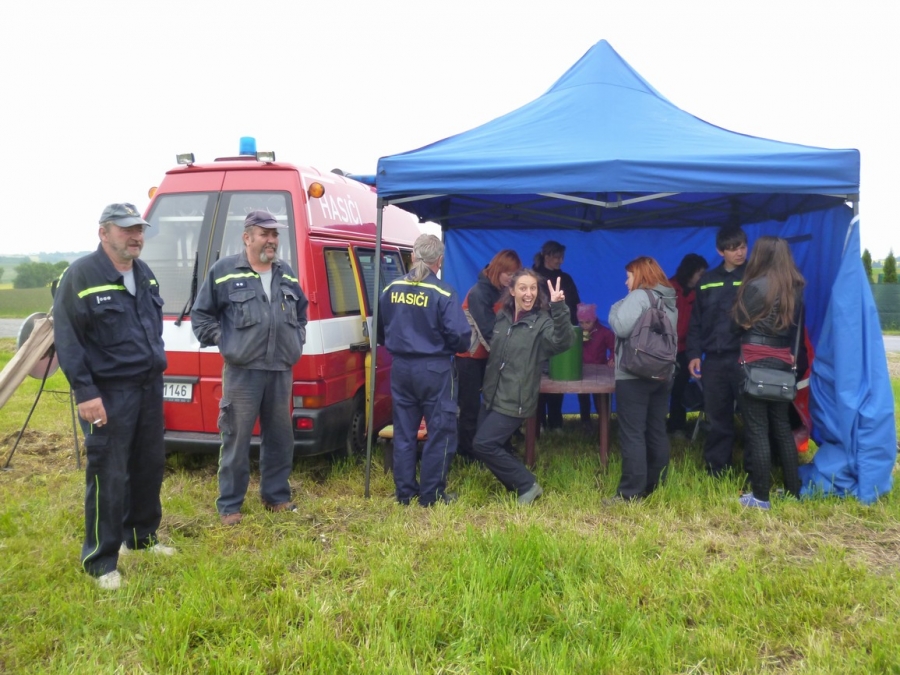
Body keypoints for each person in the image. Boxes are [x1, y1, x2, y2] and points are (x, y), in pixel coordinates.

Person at [53, 203, 173, 590]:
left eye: (139, 229)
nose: (136, 236)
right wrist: (85, 392)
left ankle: (140, 537)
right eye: (126, 229)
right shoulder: (81, 275)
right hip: (107, 393)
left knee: (148, 465)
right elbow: (68, 340)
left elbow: (152, 328)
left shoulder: (144, 273)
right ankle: (101, 560)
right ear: (104, 233)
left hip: (148, 388)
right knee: (108, 474)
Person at [191, 210, 309, 526]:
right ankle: (230, 505)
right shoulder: (224, 272)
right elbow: (201, 316)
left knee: (280, 438)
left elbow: (301, 313)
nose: (271, 240)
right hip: (242, 372)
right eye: (264, 234)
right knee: (236, 437)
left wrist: (297, 338)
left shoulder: (286, 273)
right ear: (247, 238)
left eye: (275, 235)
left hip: (280, 369)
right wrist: (225, 340)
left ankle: (276, 497)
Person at [377, 234, 471, 506]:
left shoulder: (390, 288)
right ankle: (431, 494)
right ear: (439, 260)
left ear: (412, 256)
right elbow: (460, 337)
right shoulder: (444, 292)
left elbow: (380, 330)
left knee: (404, 432)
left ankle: (405, 493)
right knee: (440, 431)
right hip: (435, 369)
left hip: (401, 368)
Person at [471, 269, 574, 504]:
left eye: (533, 288)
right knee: (485, 444)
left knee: (484, 444)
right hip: (493, 394)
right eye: (523, 288)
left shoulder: (541, 322)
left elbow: (564, 341)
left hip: (516, 397)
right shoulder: (503, 317)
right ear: (512, 291)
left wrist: (559, 307)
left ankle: (527, 485)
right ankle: (516, 485)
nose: (529, 293)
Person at [732, 236, 805, 509]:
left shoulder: (756, 286)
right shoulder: (795, 287)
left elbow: (737, 323)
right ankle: (793, 491)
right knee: (782, 428)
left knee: (758, 430)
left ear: (761, 255)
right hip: (783, 361)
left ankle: (761, 496)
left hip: (754, 360)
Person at [608, 257, 678, 501]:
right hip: (662, 373)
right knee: (656, 429)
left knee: (632, 433)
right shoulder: (669, 299)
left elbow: (621, 327)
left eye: (628, 276)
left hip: (633, 374)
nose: (625, 282)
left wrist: (616, 306)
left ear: (639, 276)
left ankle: (630, 493)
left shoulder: (638, 297)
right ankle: (655, 485)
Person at [686, 225, 748, 476]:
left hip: (746, 359)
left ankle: (755, 469)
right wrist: (693, 355)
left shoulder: (754, 277)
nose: (739, 253)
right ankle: (717, 469)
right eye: (733, 249)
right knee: (718, 417)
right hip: (714, 359)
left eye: (742, 247)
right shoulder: (707, 281)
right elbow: (695, 322)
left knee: (752, 417)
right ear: (720, 251)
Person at [456, 249, 522, 461]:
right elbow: (488, 331)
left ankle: (497, 445)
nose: (512, 278)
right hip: (469, 356)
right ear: (497, 270)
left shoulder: (504, 290)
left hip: (492, 355)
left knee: (497, 403)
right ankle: (468, 452)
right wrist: (510, 358)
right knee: (470, 406)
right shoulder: (479, 293)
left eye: (515, 274)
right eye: (508, 274)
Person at [533, 240, 581, 431]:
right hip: (539, 335)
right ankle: (538, 422)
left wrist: (575, 326)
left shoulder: (565, 278)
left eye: (562, 257)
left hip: (561, 333)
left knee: (558, 377)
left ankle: (555, 421)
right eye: (557, 257)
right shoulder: (534, 277)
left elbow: (576, 304)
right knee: (539, 380)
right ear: (546, 256)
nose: (560, 261)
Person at [666, 253, 708, 437]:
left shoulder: (700, 293)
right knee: (658, 389)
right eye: (700, 274)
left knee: (680, 388)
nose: (703, 278)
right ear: (689, 272)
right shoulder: (667, 289)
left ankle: (677, 426)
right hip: (663, 349)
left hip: (685, 349)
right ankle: (654, 426)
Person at [576, 302, 615, 429]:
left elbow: (614, 346)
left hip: (599, 371)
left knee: (600, 398)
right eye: (581, 323)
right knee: (583, 397)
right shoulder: (577, 332)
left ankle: (603, 422)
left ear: (594, 320)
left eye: (587, 322)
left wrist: (612, 358)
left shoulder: (604, 332)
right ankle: (585, 421)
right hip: (583, 370)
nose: (584, 326)